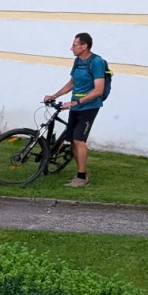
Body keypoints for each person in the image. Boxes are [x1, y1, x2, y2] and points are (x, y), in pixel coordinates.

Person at [44, 32, 106, 187]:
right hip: (76, 105)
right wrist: (54, 95)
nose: (71, 48)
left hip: (89, 106)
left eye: (74, 45)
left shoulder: (97, 62)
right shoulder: (78, 61)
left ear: (84, 46)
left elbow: (98, 90)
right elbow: (72, 83)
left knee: (79, 140)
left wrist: (76, 102)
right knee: (72, 139)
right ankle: (80, 171)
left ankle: (82, 177)